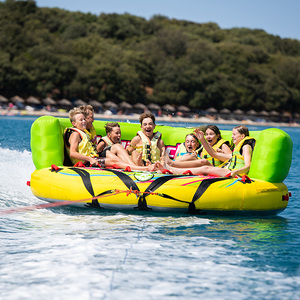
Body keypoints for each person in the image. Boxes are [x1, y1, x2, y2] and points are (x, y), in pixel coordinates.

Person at [64, 107, 155, 171]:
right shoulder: (75, 134)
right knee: (114, 160)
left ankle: (137, 167)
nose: (84, 121)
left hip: (93, 158)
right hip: (87, 163)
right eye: (81, 120)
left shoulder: (82, 132)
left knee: (117, 147)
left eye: (84, 119)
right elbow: (72, 153)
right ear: (74, 123)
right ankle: (144, 169)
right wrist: (90, 159)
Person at [157, 125, 255, 178]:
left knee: (206, 167)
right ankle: (170, 166)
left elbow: (248, 166)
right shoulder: (237, 152)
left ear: (242, 136)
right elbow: (213, 154)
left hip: (233, 173)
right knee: (204, 166)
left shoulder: (246, 146)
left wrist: (235, 172)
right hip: (228, 170)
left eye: (234, 134)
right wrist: (202, 139)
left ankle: (171, 168)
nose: (232, 136)